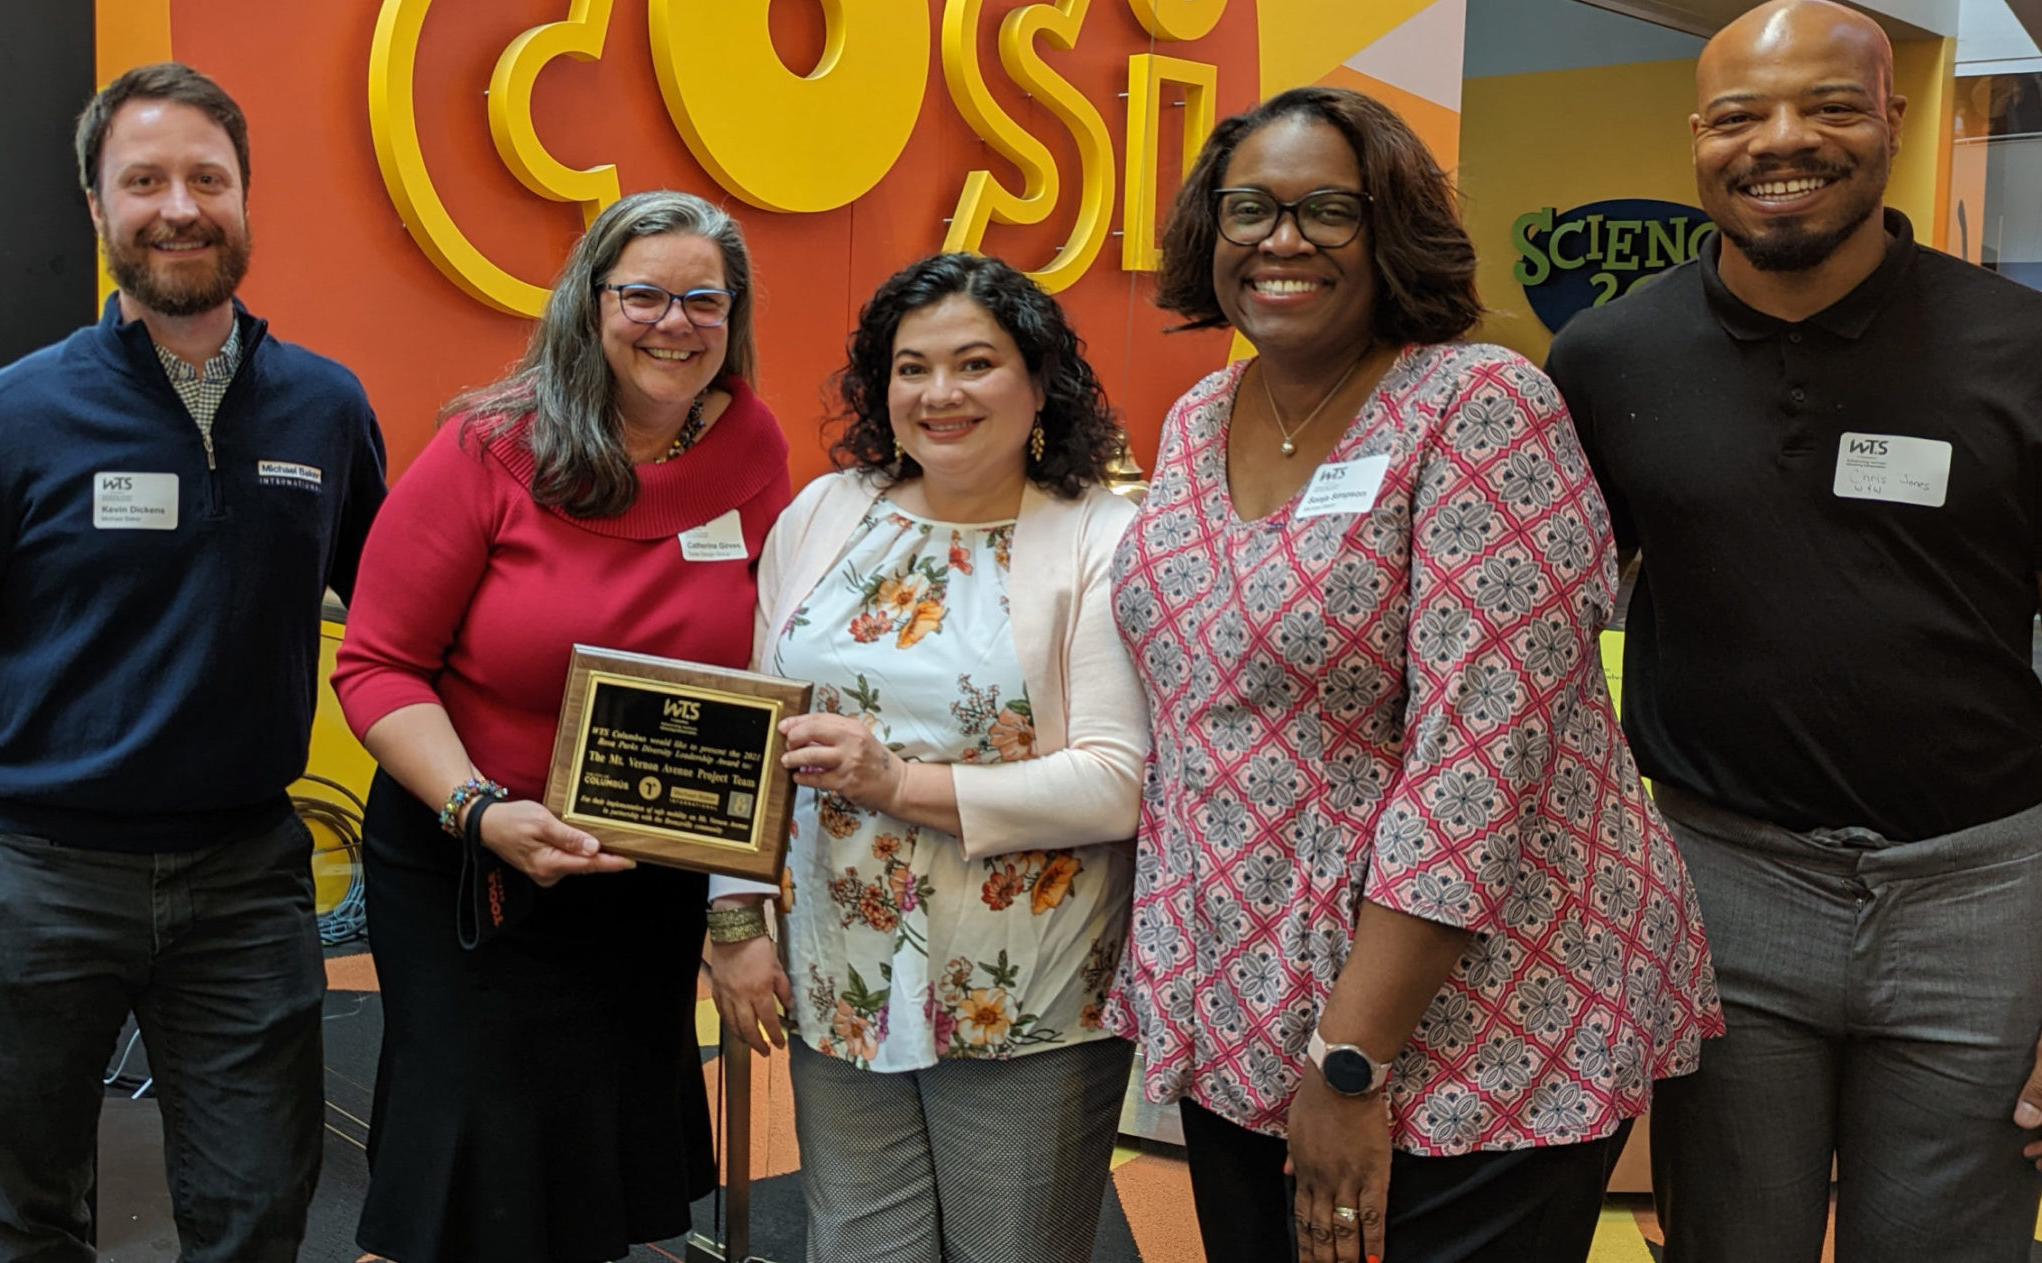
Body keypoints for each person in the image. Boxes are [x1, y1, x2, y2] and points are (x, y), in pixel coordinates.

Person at [1106, 85, 1723, 1263]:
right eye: (1249, 209)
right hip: (1244, 1000)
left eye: (1326, 210)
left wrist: (1350, 1057)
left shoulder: (1478, 405)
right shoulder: (1196, 417)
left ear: (1389, 228)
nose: (1281, 240)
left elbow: (1476, 767)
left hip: (1473, 1018)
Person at [1544, 2, 2042, 1259]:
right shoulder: (1604, 359)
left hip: (1982, 894)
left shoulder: (2019, 349)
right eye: (1738, 116)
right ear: (1695, 138)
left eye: (1826, 107)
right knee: (1726, 1241)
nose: (1779, 142)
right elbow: (1537, 628)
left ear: (1890, 118)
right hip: (1721, 883)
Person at [330, 190, 791, 1263]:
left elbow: (768, 671)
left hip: (644, 873)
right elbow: (378, 663)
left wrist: (736, 909)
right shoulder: (489, 447)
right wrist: (478, 810)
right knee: (470, 1141)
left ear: (731, 318)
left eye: (703, 301)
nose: (673, 323)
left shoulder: (753, 451)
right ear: (589, 302)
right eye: (643, 295)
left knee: (592, 1151)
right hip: (470, 862)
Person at [0, 62, 387, 1262]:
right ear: (98, 206)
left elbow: (395, 620)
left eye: (207, 180)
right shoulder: (17, 415)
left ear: (246, 198)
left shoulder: (325, 409)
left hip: (244, 879)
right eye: (145, 181)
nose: (179, 208)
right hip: (39, 878)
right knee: (22, 1213)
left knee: (256, 1212)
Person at [706, 252, 1146, 1263]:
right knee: (857, 1247)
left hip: (1025, 988)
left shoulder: (1103, 535)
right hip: (838, 970)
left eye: (974, 364)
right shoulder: (826, 513)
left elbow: (1115, 781)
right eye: (911, 368)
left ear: (1039, 381)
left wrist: (897, 784)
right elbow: (754, 727)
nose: (939, 393)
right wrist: (734, 914)